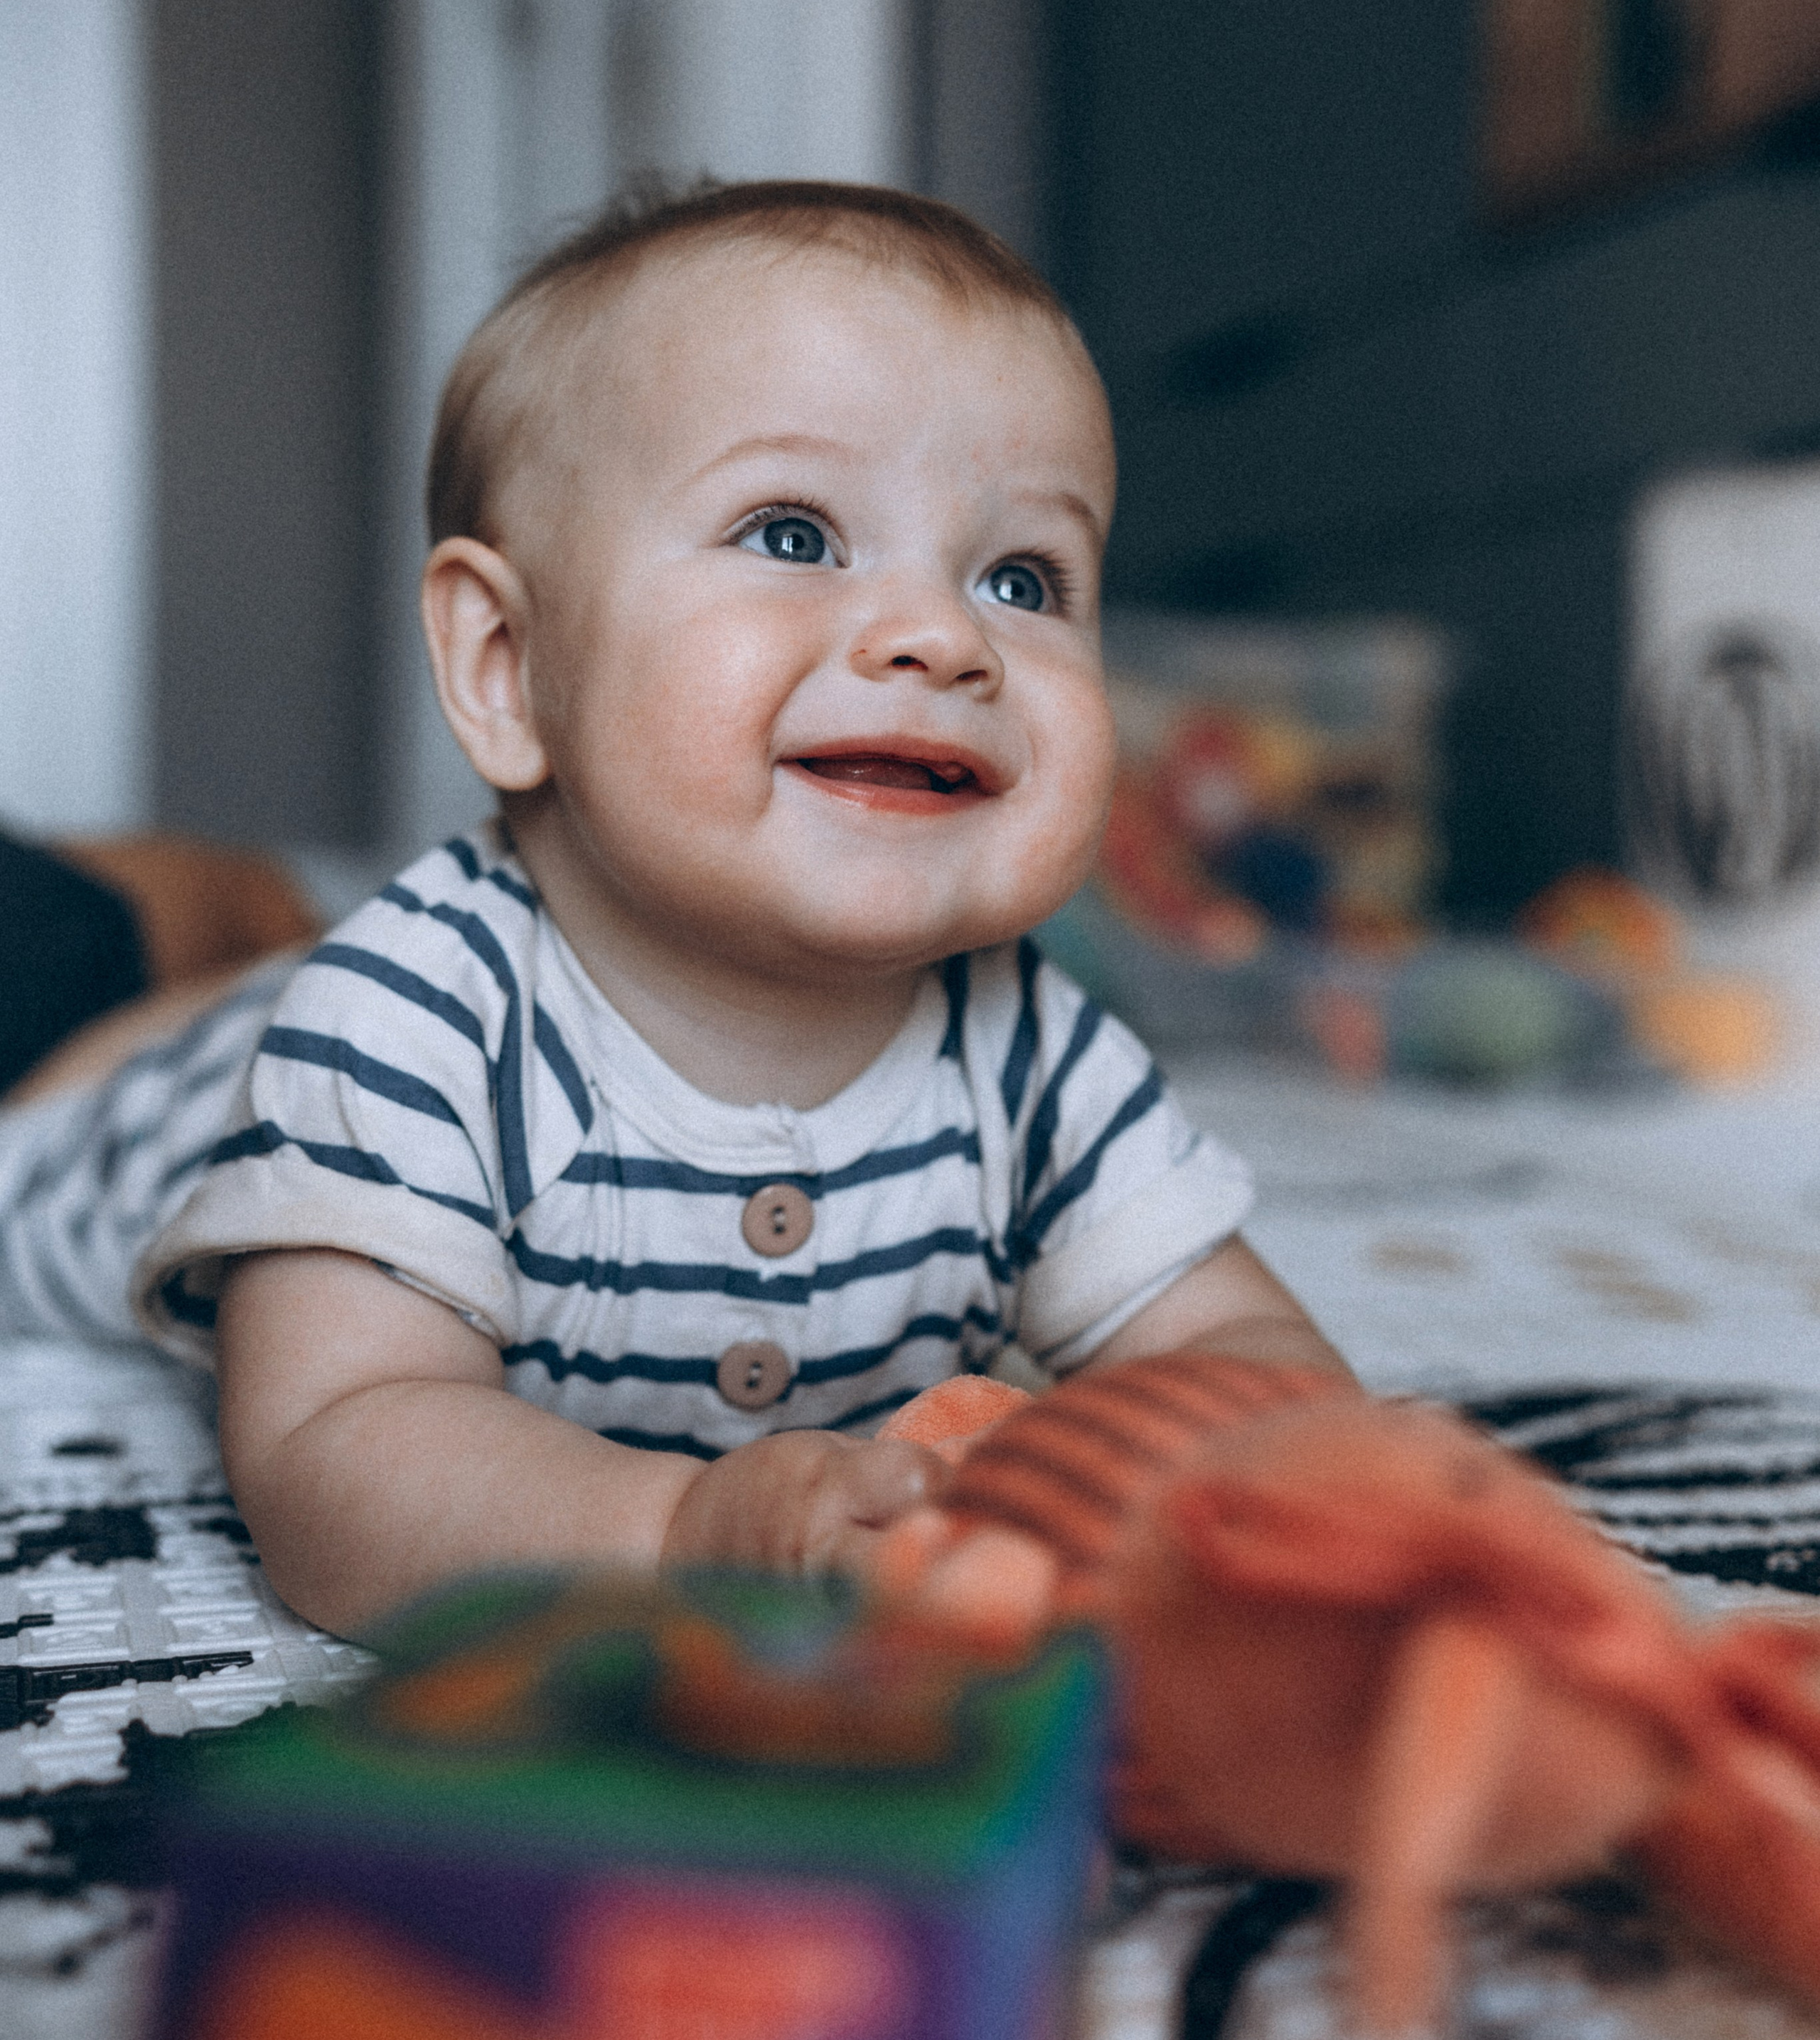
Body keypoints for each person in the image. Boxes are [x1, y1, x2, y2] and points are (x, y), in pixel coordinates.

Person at [0, 181, 1342, 1638]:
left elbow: (1246, 1351)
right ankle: (210, 960)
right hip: (129, 1109)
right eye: (789, 533)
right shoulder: (405, 1019)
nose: (942, 636)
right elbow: (336, 1455)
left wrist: (1232, 1497)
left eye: (1021, 575)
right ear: (507, 665)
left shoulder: (1036, 1049)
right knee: (134, 1016)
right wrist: (677, 1524)